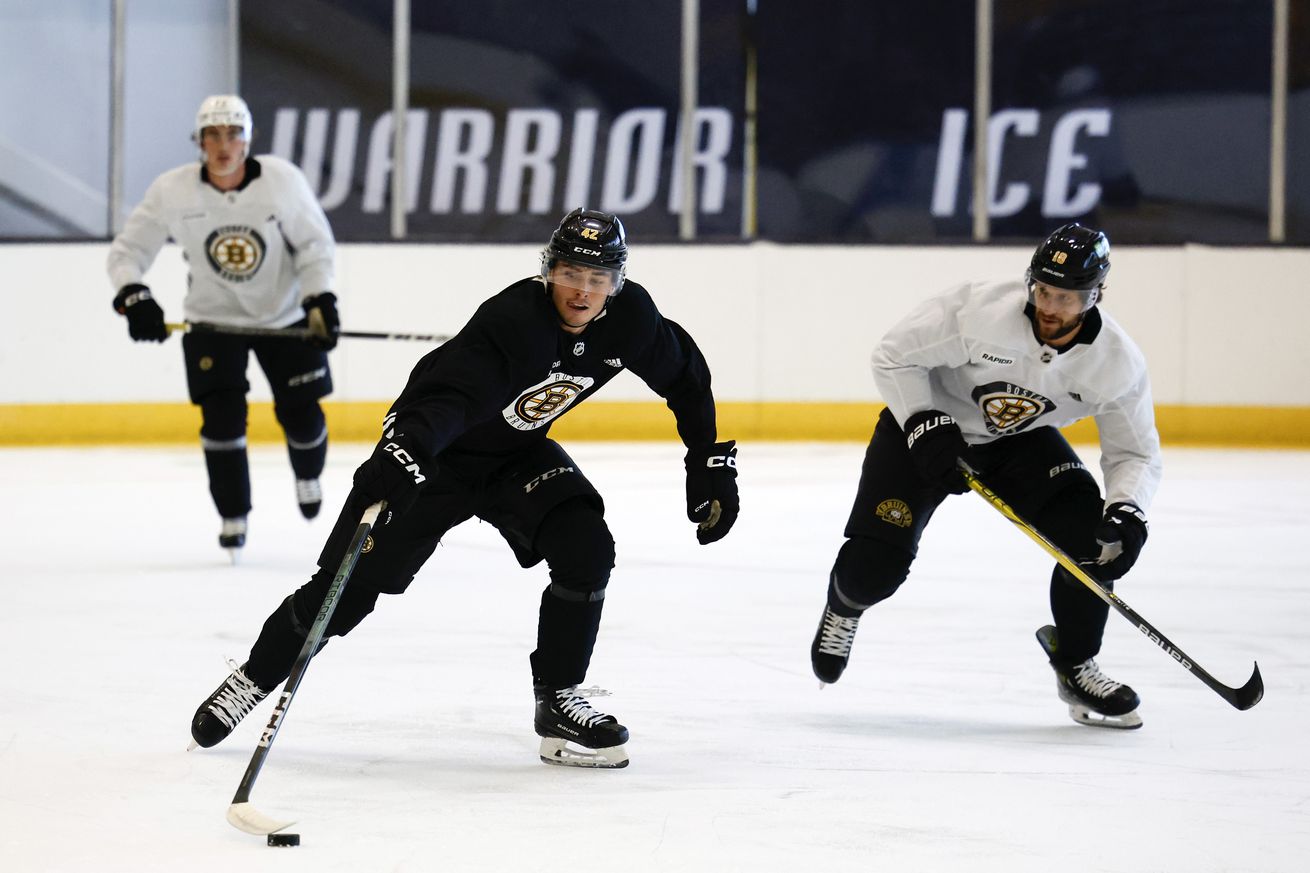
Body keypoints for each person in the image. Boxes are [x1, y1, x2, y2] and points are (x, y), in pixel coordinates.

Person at [187, 208, 740, 768]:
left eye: (597, 279)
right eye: (571, 273)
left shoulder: (631, 321)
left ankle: (557, 700)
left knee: (587, 547)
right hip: (436, 458)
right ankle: (252, 680)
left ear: (616, 284)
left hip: (516, 457)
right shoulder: (515, 322)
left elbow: (686, 377)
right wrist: (407, 451)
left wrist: (708, 461)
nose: (582, 290)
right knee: (347, 590)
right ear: (550, 271)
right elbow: (453, 400)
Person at [810, 223, 1161, 730]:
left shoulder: (1117, 364)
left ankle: (1076, 664)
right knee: (875, 568)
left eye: (1067, 297)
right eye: (1044, 290)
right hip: (928, 427)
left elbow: (1135, 451)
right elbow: (894, 356)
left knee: (1095, 545)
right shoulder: (978, 310)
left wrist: (1128, 509)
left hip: (1017, 441)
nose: (1051, 306)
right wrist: (923, 423)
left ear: (1095, 296)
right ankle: (844, 607)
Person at [106, 94, 340, 560]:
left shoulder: (281, 182)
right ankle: (233, 513)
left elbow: (315, 246)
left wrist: (321, 298)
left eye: (233, 133)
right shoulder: (173, 191)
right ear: (199, 141)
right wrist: (135, 296)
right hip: (213, 320)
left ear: (248, 139)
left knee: (302, 413)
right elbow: (127, 253)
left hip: (284, 316)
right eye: (212, 134)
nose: (223, 144)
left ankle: (308, 472)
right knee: (221, 421)